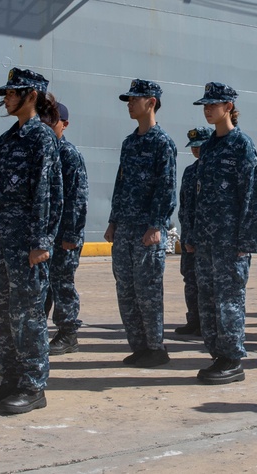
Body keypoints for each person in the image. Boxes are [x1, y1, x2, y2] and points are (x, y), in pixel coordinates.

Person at [0, 68, 62, 415]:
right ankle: (9, 379)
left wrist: (41, 242)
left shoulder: (43, 138)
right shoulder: (7, 139)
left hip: (28, 246)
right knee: (1, 316)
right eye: (7, 94)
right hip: (2, 243)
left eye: (13, 93)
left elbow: (49, 194)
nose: (7, 99)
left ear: (32, 96)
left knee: (28, 317)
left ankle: (32, 385)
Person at [188, 82, 257, 384]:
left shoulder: (242, 145)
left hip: (231, 241)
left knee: (229, 299)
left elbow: (253, 195)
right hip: (206, 240)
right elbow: (199, 195)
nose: (208, 109)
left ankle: (232, 358)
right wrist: (192, 235)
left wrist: (248, 239)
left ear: (228, 107)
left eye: (213, 105)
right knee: (206, 299)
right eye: (205, 105)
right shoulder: (207, 148)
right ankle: (217, 354)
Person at [104, 80, 177, 368]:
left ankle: (156, 347)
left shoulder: (163, 143)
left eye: (135, 99)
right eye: (128, 99)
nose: (129, 103)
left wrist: (157, 224)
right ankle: (139, 345)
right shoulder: (130, 142)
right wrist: (113, 221)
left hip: (147, 230)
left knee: (148, 290)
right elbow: (120, 185)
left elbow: (167, 187)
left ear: (151, 102)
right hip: (124, 228)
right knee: (126, 288)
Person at [43, 102, 89, 355]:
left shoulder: (68, 154)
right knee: (43, 284)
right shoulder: (42, 150)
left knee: (62, 283)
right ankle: (38, 329)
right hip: (45, 234)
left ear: (64, 124)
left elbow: (78, 197)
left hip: (63, 235)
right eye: (44, 119)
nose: (47, 124)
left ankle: (68, 332)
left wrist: (71, 234)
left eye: (52, 120)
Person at [175, 126, 212, 336]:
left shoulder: (213, 170)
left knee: (208, 283)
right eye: (193, 147)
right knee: (190, 280)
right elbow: (185, 206)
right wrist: (187, 236)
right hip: (190, 236)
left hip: (207, 238)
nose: (196, 150)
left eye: (200, 146)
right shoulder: (190, 172)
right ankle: (194, 319)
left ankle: (208, 322)